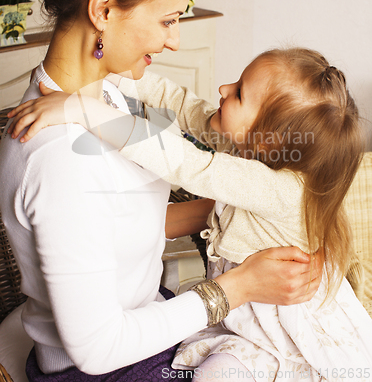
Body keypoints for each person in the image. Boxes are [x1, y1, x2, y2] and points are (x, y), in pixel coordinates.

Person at [0, 0, 322, 381]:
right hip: (106, 367)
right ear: (103, 10)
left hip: (150, 319)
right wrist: (242, 285)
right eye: (168, 19)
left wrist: (255, 218)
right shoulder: (58, 157)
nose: (173, 42)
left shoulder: (109, 93)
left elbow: (125, 218)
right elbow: (98, 350)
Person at [8, 46, 372, 381]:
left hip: (284, 332)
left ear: (267, 139)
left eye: (240, 93)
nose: (224, 88)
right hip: (243, 318)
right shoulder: (246, 145)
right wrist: (108, 74)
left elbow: (185, 163)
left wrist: (81, 111)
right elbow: (182, 104)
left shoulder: (281, 189)